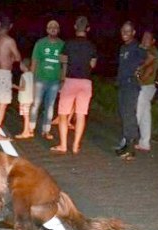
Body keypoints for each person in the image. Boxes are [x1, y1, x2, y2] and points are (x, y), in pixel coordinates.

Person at [50, 16, 97, 154]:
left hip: (70, 80)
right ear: (88, 28)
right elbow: (93, 64)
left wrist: (63, 78)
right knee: (81, 114)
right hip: (86, 82)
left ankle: (63, 145)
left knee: (63, 114)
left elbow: (62, 60)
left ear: (75, 27)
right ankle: (76, 145)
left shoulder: (68, 44)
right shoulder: (91, 45)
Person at [115, 21, 147, 160]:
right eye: (123, 31)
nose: (125, 34)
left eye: (128, 31)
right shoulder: (123, 48)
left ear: (133, 33)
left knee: (129, 114)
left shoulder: (136, 47)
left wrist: (140, 71)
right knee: (123, 113)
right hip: (123, 84)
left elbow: (146, 58)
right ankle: (126, 144)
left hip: (131, 85)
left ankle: (131, 148)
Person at [29, 20, 65, 140]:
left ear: (58, 29)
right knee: (35, 104)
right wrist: (31, 79)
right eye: (50, 27)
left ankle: (46, 130)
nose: (53, 28)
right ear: (47, 29)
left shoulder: (62, 45)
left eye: (55, 27)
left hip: (54, 81)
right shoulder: (40, 43)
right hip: (40, 79)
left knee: (49, 106)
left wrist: (62, 80)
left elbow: (64, 64)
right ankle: (31, 128)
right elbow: (34, 61)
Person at [135, 30, 158, 151]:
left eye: (148, 38)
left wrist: (139, 71)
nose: (144, 39)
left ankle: (128, 139)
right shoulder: (145, 50)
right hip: (147, 86)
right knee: (145, 114)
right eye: (143, 37)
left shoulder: (152, 51)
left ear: (153, 41)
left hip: (146, 86)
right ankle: (145, 142)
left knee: (137, 113)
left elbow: (149, 64)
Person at [13, 58, 34, 139]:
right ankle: (29, 130)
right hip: (30, 98)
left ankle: (26, 132)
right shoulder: (32, 74)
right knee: (28, 115)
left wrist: (15, 86)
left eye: (20, 65)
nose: (20, 67)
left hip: (24, 99)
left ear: (24, 66)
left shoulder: (24, 76)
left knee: (26, 116)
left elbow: (23, 88)